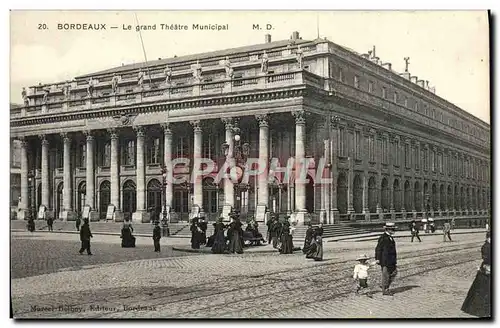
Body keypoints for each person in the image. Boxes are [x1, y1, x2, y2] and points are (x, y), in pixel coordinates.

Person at [461, 231, 491, 317]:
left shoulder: (489, 246)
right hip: (486, 271)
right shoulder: (486, 247)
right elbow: (486, 259)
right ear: (488, 238)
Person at [375, 222, 398, 296]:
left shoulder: (390, 237)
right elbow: (378, 249)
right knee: (386, 274)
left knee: (394, 272)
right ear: (388, 229)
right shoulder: (383, 237)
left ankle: (384, 285)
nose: (394, 231)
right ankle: (385, 290)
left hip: (391, 260)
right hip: (385, 260)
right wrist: (378, 258)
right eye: (392, 229)